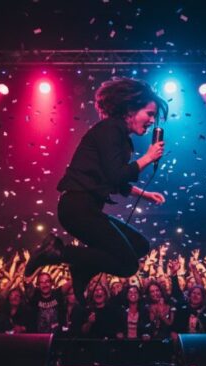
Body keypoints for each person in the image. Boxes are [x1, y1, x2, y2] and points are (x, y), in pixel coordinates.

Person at [25, 77, 169, 306]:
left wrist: (146, 194)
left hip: (88, 208)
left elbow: (117, 182)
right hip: (77, 207)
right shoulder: (110, 129)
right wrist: (148, 158)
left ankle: (82, 267)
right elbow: (116, 174)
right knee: (128, 265)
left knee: (140, 246)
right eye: (149, 114)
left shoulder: (121, 139)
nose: (152, 121)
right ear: (131, 110)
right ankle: (59, 253)